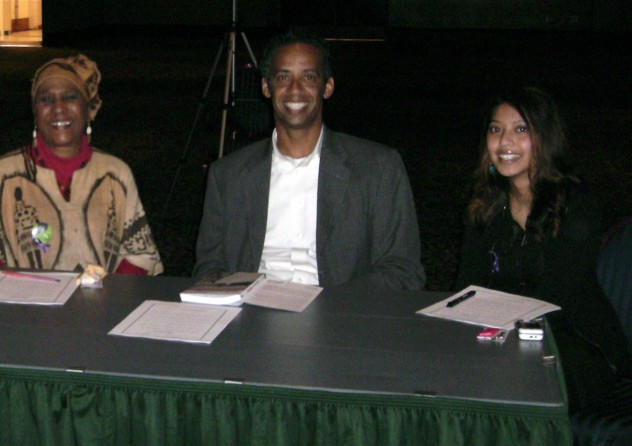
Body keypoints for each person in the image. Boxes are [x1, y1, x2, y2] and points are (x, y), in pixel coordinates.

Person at [193, 32, 424, 290]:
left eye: (309, 77)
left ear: (328, 87)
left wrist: (329, 306)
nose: (295, 89)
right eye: (283, 77)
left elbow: (403, 271)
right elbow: (208, 269)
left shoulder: (377, 168)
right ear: (266, 87)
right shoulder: (227, 175)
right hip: (252, 315)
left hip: (340, 315)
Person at [455, 87, 632, 413]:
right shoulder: (484, 206)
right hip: (505, 341)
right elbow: (469, 287)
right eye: (496, 129)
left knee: (510, 385)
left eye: (520, 129)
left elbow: (556, 298)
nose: (504, 142)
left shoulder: (577, 207)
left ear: (544, 138)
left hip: (574, 343)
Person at [0, 54, 163, 274]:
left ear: (87, 108)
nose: (58, 108)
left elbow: (141, 254)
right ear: (35, 112)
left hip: (104, 304)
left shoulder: (115, 174)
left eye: (70, 97)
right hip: (23, 305)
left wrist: (109, 296)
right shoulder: (2, 176)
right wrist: (22, 293)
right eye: (46, 99)